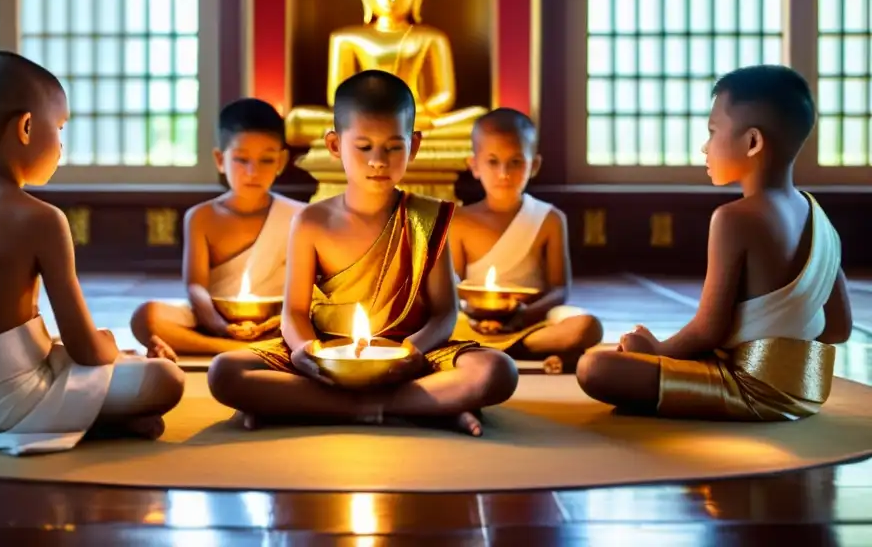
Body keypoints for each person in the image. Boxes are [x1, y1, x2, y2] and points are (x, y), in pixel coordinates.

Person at [207, 70, 519, 436]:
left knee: (496, 371)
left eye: (393, 147)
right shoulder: (311, 221)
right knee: (225, 373)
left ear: (414, 146)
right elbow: (293, 311)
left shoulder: (427, 217)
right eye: (363, 146)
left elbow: (444, 314)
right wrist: (306, 352)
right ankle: (421, 408)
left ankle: (319, 409)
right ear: (335, 146)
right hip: (329, 356)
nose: (378, 161)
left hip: (409, 359)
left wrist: (411, 352)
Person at [0, 51, 185, 456]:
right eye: (59, 128)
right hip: (10, 407)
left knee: (119, 357)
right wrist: (109, 346)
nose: (61, 146)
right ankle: (103, 420)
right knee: (165, 379)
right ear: (26, 127)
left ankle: (105, 415)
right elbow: (86, 351)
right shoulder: (41, 218)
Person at [576, 65, 853, 421]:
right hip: (809, 391)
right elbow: (838, 328)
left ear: (752, 142)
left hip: (750, 390)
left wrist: (656, 351)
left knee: (595, 367)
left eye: (713, 131)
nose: (705, 146)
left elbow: (708, 330)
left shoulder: (733, 218)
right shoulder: (821, 220)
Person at [131, 98, 304, 355]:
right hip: (213, 318)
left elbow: (306, 294)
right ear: (220, 159)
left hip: (276, 322)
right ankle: (243, 349)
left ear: (281, 161)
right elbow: (196, 286)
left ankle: (239, 348)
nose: (252, 171)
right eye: (241, 160)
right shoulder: (201, 217)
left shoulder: (300, 216)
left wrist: (277, 322)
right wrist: (218, 325)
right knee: (146, 317)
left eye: (266, 160)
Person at [449, 109, 603, 373]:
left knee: (587, 326)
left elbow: (558, 289)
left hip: (531, 320)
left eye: (516, 162)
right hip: (475, 322)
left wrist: (522, 316)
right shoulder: (459, 220)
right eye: (493, 162)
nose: (504, 173)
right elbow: (453, 287)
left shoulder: (550, 219)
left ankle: (490, 349)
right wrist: (475, 315)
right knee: (439, 323)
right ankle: (524, 350)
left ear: (534, 165)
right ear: (474, 165)